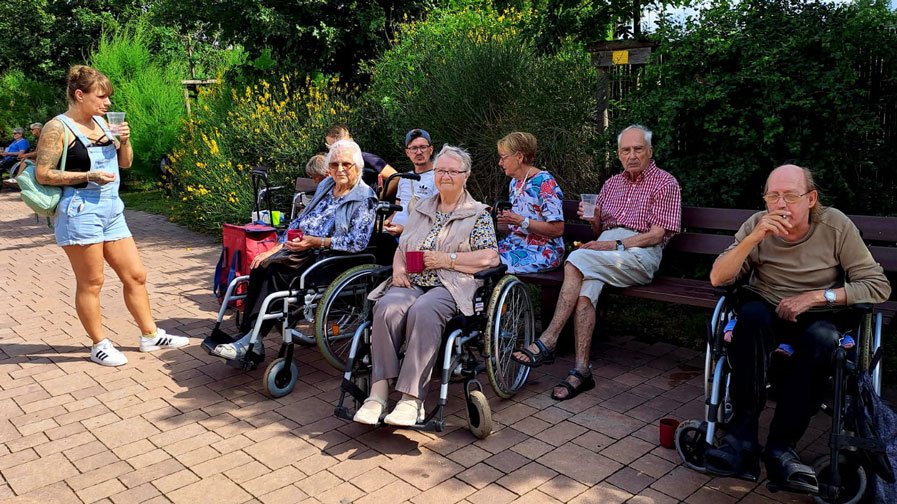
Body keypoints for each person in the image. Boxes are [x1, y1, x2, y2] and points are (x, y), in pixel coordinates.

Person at [703, 164, 891, 491]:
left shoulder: (834, 226)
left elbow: (877, 285)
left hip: (819, 311)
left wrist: (816, 296)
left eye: (791, 195)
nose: (781, 204)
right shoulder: (756, 226)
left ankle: (780, 449)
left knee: (823, 340)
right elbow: (719, 277)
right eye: (773, 196)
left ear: (811, 199)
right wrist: (755, 237)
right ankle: (741, 442)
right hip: (766, 306)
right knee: (751, 317)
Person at [510, 125, 681, 400]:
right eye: (626, 150)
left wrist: (613, 244)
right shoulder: (611, 184)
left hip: (639, 254)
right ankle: (581, 371)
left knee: (576, 259)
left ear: (650, 151)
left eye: (638, 149)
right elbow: (599, 233)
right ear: (618, 154)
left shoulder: (665, 183)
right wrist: (594, 219)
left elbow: (657, 234)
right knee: (585, 294)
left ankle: (549, 339)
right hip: (606, 253)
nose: (632, 155)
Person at [33, 65, 188, 366]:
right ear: (80, 95)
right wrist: (87, 175)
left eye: (108, 98)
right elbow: (42, 173)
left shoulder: (104, 123)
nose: (108, 104)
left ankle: (150, 334)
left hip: (112, 209)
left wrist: (126, 141)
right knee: (92, 282)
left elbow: (125, 164)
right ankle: (99, 344)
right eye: (101, 97)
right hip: (80, 210)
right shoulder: (58, 128)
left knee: (136, 275)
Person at [353, 144, 499, 426]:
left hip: (452, 284)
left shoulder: (477, 213)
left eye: (452, 171)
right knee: (387, 307)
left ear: (465, 175)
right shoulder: (420, 208)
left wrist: (447, 258)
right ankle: (378, 393)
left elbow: (490, 257)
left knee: (424, 310)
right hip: (414, 279)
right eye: (440, 170)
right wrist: (398, 268)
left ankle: (411, 400)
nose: (445, 175)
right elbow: (403, 246)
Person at [211, 139, 377, 361]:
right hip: (301, 250)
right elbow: (300, 220)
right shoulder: (326, 186)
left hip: (329, 259)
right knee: (261, 265)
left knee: (275, 273)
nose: (339, 169)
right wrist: (275, 248)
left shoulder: (364, 197)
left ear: (358, 166)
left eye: (346, 164)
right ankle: (250, 336)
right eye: (334, 164)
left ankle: (252, 339)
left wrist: (316, 242)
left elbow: (357, 242)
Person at [494, 132, 565, 273]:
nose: (500, 163)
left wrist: (521, 220)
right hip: (515, 244)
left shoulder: (544, 182)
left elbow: (557, 229)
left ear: (519, 157)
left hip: (543, 250)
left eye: (503, 158)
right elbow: (513, 228)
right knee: (476, 256)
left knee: (491, 263)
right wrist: (496, 218)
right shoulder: (515, 182)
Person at [383, 128, 437, 236]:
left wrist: (404, 230)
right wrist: (384, 223)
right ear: (407, 152)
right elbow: (397, 210)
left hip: (415, 237)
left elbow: (437, 217)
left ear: (430, 149)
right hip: (392, 234)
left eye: (423, 147)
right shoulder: (404, 178)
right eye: (414, 148)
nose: (419, 152)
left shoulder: (439, 177)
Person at [325, 124, 397, 197]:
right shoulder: (332, 163)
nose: (335, 150)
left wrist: (381, 198)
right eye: (331, 146)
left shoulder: (367, 158)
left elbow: (395, 177)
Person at [3, 123, 43, 188]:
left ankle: (17, 179)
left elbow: (39, 152)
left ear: (37, 129)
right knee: (25, 159)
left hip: (13, 159)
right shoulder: (40, 138)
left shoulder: (23, 141)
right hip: (7, 158)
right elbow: (36, 152)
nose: (31, 131)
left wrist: (25, 155)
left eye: (32, 129)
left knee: (25, 161)